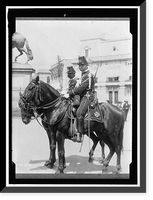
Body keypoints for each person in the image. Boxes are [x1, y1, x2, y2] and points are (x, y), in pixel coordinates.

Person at [68, 56, 95, 143]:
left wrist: (71, 92)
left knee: (79, 113)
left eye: (82, 65)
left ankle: (80, 134)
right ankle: (73, 131)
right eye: (79, 65)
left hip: (88, 96)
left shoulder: (89, 76)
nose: (80, 67)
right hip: (81, 96)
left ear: (86, 65)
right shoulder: (82, 76)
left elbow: (81, 88)